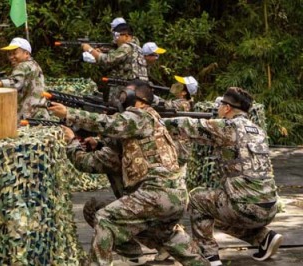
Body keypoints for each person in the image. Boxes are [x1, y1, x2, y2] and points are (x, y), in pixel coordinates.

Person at [49, 81, 209, 266]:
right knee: (166, 236)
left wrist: (70, 116)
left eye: (126, 96)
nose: (121, 100)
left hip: (156, 192)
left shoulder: (141, 116)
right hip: (175, 195)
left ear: (140, 102)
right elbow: (116, 138)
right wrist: (97, 142)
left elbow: (111, 124)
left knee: (104, 217)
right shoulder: (151, 121)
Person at [163, 87, 283, 266]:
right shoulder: (257, 130)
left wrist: (153, 119)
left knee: (197, 198)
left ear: (227, 108)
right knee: (215, 211)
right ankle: (264, 238)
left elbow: (188, 125)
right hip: (269, 206)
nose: (217, 108)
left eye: (220, 105)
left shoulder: (228, 127)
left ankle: (208, 255)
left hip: (245, 207)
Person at [0, 37, 48, 120]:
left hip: (30, 116)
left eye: (15, 53)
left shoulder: (22, 66)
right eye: (10, 54)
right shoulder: (34, 64)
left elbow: (14, 83)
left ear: (26, 53)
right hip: (40, 114)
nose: (11, 57)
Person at [81, 23, 148, 103]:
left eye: (117, 36)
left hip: (126, 88)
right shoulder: (137, 48)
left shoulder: (126, 47)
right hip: (138, 88)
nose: (115, 39)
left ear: (126, 36)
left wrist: (90, 49)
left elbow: (108, 60)